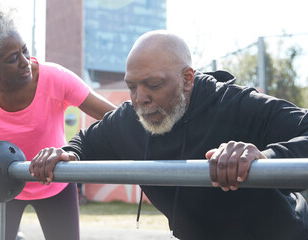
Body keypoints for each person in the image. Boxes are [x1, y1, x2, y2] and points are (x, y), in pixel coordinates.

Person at [30, 30, 308, 240]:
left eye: (153, 84)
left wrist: (264, 159)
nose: (141, 99)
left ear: (188, 78)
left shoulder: (235, 104)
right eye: (132, 86)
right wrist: (67, 152)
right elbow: (86, 141)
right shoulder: (129, 119)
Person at [0, 1, 116, 240]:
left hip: (55, 181)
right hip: (1, 186)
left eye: (25, 50)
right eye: (12, 59)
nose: (25, 62)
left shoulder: (55, 78)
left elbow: (115, 117)